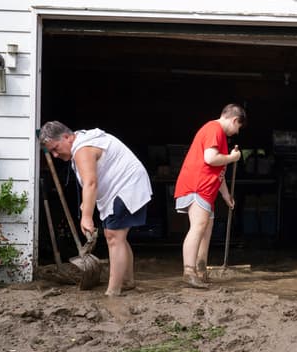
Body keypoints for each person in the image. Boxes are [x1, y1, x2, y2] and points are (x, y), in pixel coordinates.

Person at [39, 121, 153, 296]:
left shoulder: (83, 148)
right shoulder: (81, 142)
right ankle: (127, 280)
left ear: (67, 137)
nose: (54, 155)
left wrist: (86, 217)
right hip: (122, 187)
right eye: (51, 152)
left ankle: (113, 291)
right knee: (117, 236)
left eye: (55, 148)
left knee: (114, 237)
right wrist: (86, 204)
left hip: (127, 186)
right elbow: (89, 183)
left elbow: (91, 183)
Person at [173, 104, 246, 287]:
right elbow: (210, 158)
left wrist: (226, 195)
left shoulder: (216, 132)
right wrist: (232, 158)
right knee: (198, 226)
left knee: (206, 229)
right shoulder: (215, 129)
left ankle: (201, 270)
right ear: (234, 120)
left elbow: (218, 171)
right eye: (238, 127)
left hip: (207, 189)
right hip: (198, 185)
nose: (237, 132)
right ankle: (189, 271)